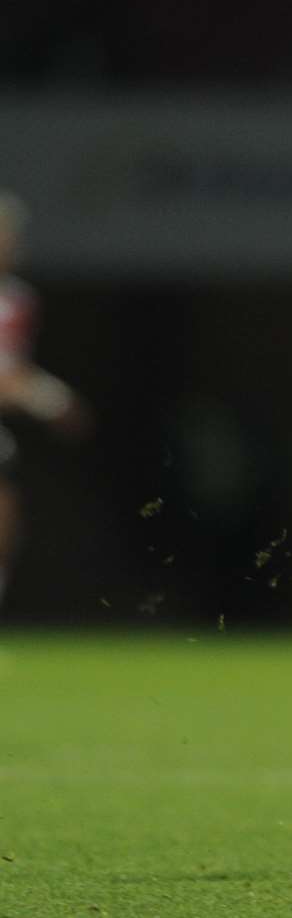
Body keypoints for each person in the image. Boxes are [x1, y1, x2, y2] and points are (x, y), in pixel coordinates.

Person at [0, 192, 90, 609]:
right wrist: (46, 398)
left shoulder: (18, 301)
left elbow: (10, 370)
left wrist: (46, 394)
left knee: (6, 515)